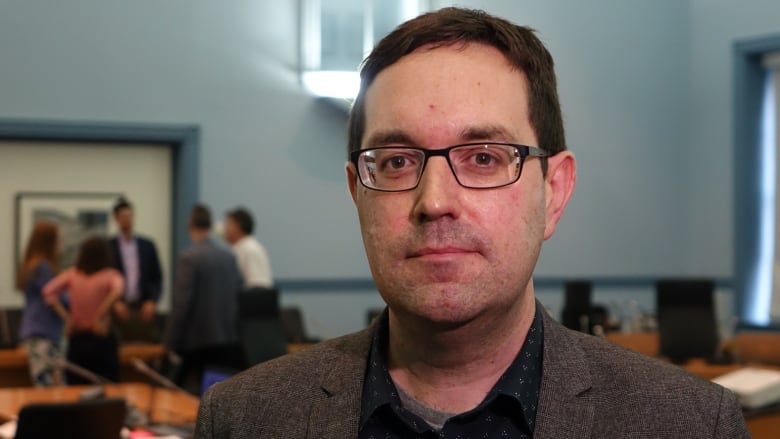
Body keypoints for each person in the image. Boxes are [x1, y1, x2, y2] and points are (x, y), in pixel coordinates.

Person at [196, 7, 749, 438]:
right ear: (356, 193)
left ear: (553, 193)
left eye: (483, 157)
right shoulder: (243, 419)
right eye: (396, 162)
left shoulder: (693, 424)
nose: (434, 201)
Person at [164, 204, 244, 393]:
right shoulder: (228, 257)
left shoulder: (188, 258)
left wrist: (169, 341)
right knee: (219, 397)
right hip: (227, 338)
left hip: (196, 342)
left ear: (189, 225)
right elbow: (238, 294)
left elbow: (182, 304)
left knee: (181, 397)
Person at [43, 236, 124, 384]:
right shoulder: (110, 275)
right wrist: (100, 315)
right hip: (101, 338)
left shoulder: (73, 274)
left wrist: (67, 318)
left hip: (77, 339)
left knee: (77, 388)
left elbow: (48, 291)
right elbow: (118, 291)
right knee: (108, 387)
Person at [109, 197, 164, 342]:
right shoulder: (109, 247)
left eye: (129, 215)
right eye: (123, 216)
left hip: (142, 307)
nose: (127, 219)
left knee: (144, 346)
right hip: (119, 307)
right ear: (116, 219)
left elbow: (157, 278)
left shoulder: (147, 245)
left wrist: (152, 301)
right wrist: (114, 303)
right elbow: (105, 280)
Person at [16, 222, 65, 386]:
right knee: (49, 388)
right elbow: (56, 296)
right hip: (44, 332)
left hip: (35, 332)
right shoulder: (43, 267)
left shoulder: (31, 265)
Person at [223, 206, 274, 288]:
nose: (225, 229)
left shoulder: (250, 249)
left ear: (238, 226)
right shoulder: (239, 248)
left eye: (228, 224)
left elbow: (258, 286)